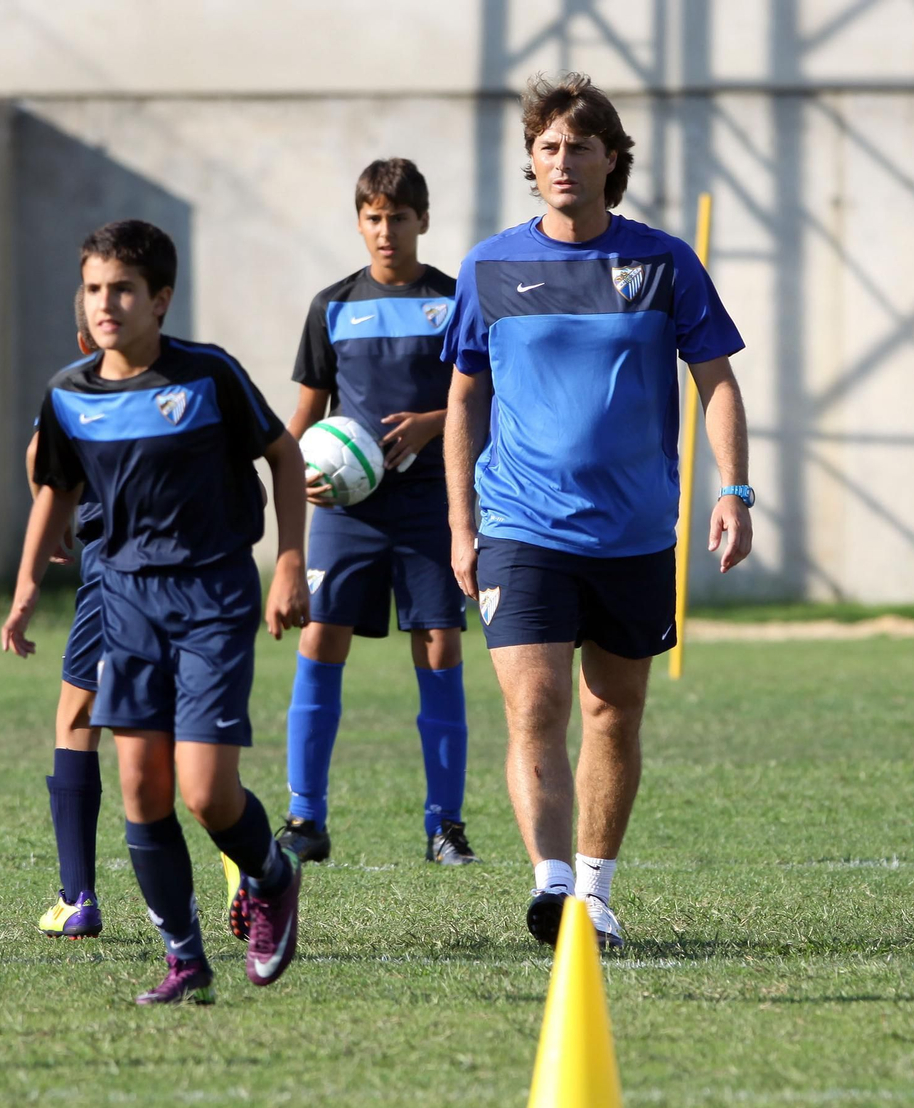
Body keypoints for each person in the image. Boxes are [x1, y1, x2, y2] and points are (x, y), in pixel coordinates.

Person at [442, 73, 754, 949]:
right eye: (547, 146)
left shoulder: (662, 263)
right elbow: (463, 401)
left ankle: (596, 890)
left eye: (580, 145)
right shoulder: (489, 266)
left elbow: (717, 380)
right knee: (534, 706)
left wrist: (732, 489)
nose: (562, 160)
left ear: (612, 159)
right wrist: (462, 524)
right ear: (530, 163)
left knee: (614, 709)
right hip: (521, 527)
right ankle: (550, 889)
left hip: (635, 532)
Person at [1, 220, 312, 1004]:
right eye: (95, 288)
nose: (106, 303)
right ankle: (185, 957)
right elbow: (57, 488)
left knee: (206, 791)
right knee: (141, 787)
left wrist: (288, 561)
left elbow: (283, 452)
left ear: (159, 299)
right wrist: (28, 583)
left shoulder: (208, 377)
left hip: (211, 594)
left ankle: (272, 875)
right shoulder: (70, 392)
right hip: (127, 599)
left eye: (123, 290)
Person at [280, 157, 475, 867]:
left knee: (441, 647)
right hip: (347, 511)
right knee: (320, 639)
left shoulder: (456, 301)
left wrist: (429, 424)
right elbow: (303, 417)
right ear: (358, 222)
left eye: (398, 216)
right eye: (372, 217)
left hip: (430, 505)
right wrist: (297, 473)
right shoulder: (332, 305)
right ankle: (306, 821)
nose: (385, 230)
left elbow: (480, 402)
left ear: (423, 220)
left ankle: (444, 827)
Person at [18, 287, 108, 940]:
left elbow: (37, 463)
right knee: (194, 741)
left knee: (77, 717)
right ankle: (246, 878)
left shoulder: (75, 392)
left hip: (114, 575)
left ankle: (77, 895)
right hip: (201, 584)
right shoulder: (197, 375)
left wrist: (51, 531)